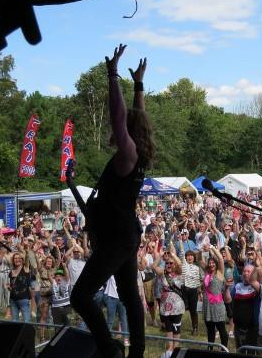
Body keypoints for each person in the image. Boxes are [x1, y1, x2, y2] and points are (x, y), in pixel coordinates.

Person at [70, 44, 154, 358]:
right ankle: (137, 354)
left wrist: (113, 75)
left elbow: (120, 118)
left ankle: (108, 349)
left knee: (80, 296)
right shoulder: (138, 155)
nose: (116, 131)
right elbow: (135, 117)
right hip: (124, 235)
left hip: (118, 238)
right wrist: (139, 85)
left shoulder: (128, 155)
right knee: (131, 297)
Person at [202, 245, 231, 349]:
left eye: (213, 262)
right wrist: (202, 250)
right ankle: (210, 349)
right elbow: (200, 259)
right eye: (210, 263)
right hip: (207, 306)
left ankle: (224, 349)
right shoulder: (206, 273)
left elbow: (220, 259)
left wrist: (211, 247)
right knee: (210, 330)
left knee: (221, 329)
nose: (211, 264)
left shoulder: (219, 273)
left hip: (217, 306)